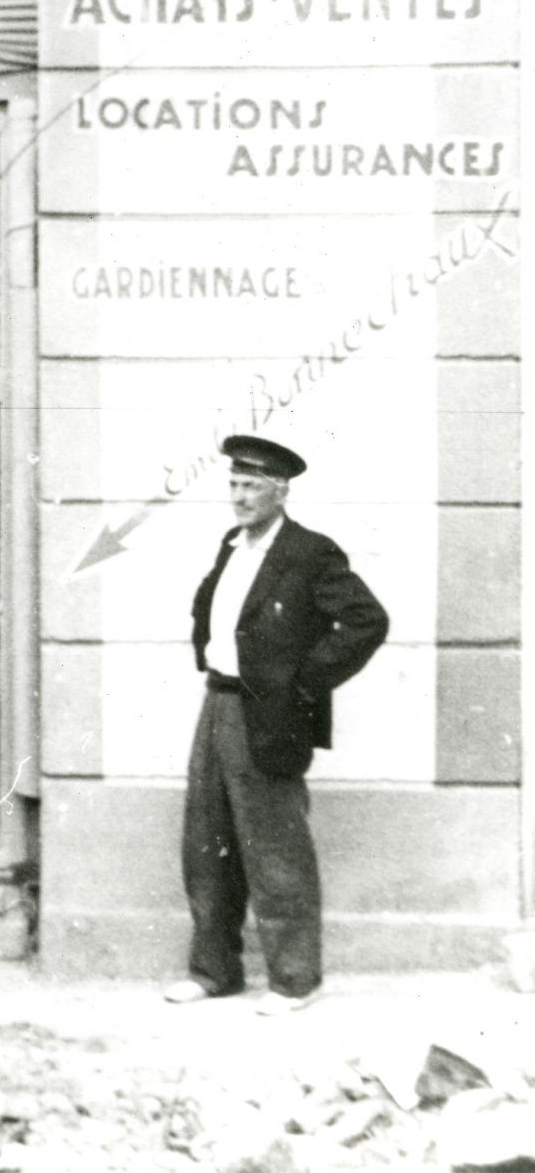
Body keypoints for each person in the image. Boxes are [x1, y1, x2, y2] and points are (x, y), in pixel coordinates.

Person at [162, 435, 388, 1016]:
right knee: (206, 844)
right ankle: (214, 971)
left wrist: (301, 684)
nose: (239, 496)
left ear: (280, 492)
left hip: (267, 715)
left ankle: (294, 979)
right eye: (234, 484)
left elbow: (366, 620)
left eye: (252, 487)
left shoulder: (309, 552)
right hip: (217, 703)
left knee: (275, 849)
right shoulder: (231, 546)